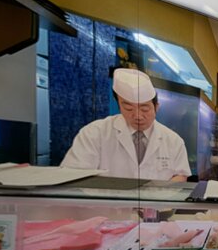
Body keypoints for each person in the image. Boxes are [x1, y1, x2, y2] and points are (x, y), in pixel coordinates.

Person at [61, 68, 190, 181]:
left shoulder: (174, 141)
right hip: (107, 208)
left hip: (155, 208)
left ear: (157, 107)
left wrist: (157, 199)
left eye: (145, 109)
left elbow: (180, 175)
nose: (138, 116)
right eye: (128, 109)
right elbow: (73, 176)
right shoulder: (94, 133)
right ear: (119, 106)